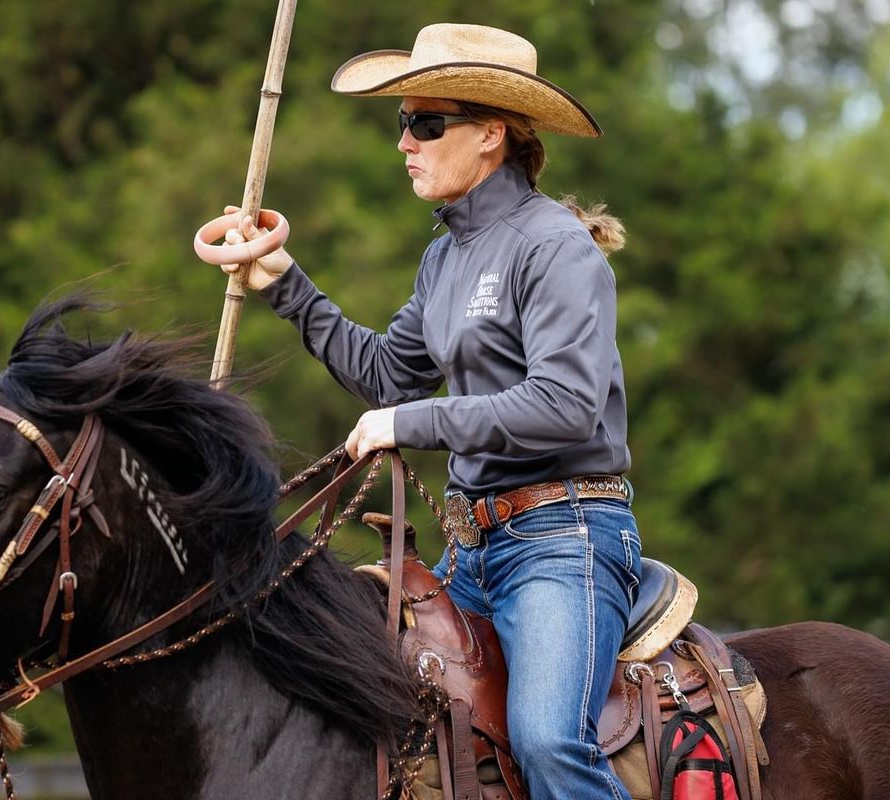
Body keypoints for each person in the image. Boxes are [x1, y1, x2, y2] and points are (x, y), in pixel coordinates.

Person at [208, 23, 641, 800]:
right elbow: (386, 377)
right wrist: (282, 279)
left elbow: (566, 407)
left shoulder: (556, 247)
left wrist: (413, 425)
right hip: (469, 552)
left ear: (490, 136)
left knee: (547, 742)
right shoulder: (445, 255)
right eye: (401, 122)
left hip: (563, 539)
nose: (404, 143)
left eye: (424, 122)